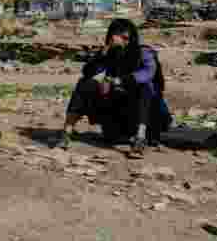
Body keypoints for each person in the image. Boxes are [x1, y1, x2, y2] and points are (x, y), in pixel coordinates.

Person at [61, 18, 170, 157]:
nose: (123, 41)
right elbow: (89, 73)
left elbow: (147, 75)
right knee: (85, 83)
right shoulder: (110, 54)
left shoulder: (144, 53)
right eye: (118, 36)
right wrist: (102, 54)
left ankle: (140, 139)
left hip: (146, 113)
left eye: (126, 37)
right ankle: (66, 132)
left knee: (145, 87)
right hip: (116, 112)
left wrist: (118, 81)